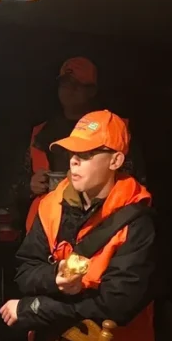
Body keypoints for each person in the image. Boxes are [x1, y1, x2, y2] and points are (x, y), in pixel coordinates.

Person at [1, 111, 156, 341]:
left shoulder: (137, 221)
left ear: (115, 161)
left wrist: (36, 308)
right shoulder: (51, 205)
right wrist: (53, 277)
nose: (74, 161)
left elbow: (117, 306)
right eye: (73, 152)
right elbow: (25, 271)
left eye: (86, 154)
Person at [14, 57, 144, 231]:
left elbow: (136, 182)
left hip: (101, 225)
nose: (69, 91)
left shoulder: (115, 129)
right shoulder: (41, 133)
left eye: (77, 85)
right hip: (47, 229)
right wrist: (30, 185)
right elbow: (15, 185)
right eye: (65, 84)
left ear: (92, 91)